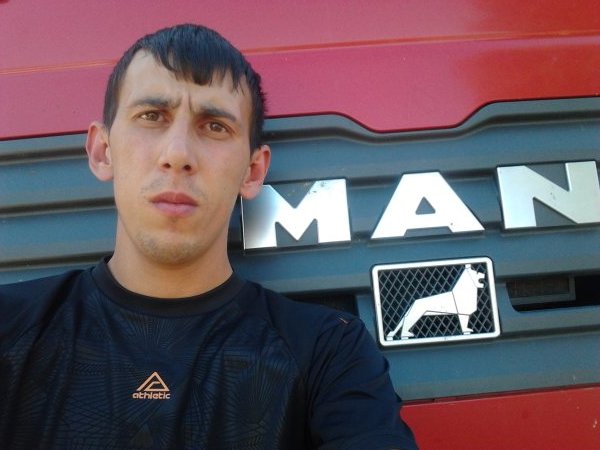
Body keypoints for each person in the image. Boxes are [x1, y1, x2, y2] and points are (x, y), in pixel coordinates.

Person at [0, 24, 418, 449]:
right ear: (102, 151)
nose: (178, 154)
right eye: (152, 116)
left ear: (252, 171)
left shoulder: (330, 352)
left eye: (214, 126)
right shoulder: (8, 327)